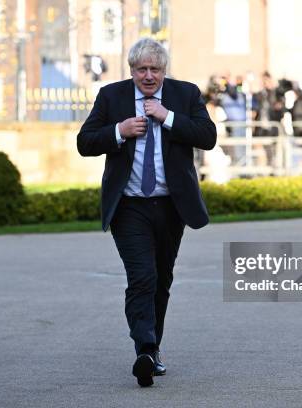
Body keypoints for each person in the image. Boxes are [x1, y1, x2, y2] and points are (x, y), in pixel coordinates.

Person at [77, 38, 217, 388]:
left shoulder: (185, 95)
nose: (149, 76)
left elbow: (208, 136)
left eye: (155, 69)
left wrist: (167, 117)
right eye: (142, 69)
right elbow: (85, 142)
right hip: (129, 206)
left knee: (162, 279)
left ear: (164, 71)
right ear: (132, 71)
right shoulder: (112, 96)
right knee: (143, 277)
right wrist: (118, 131)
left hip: (171, 206)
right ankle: (146, 348)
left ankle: (152, 352)